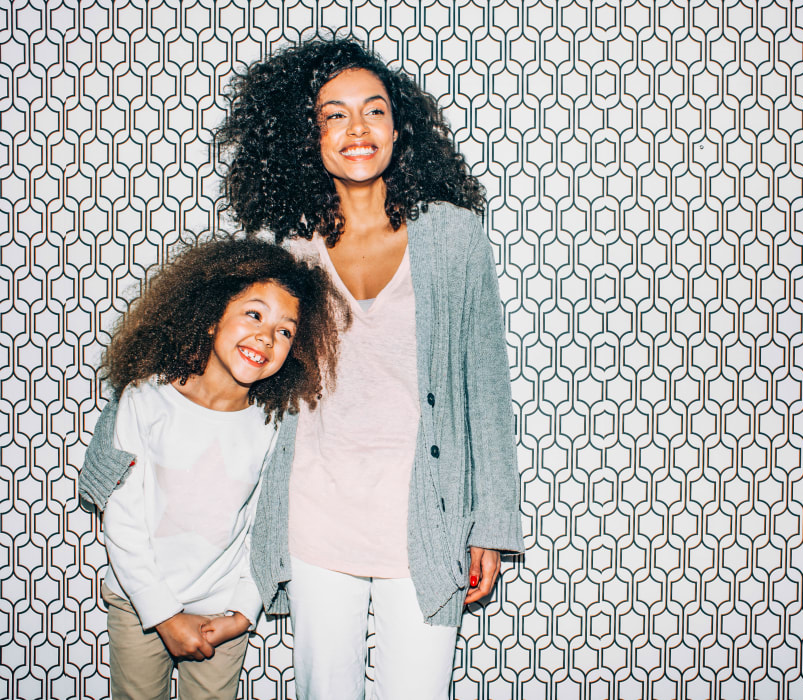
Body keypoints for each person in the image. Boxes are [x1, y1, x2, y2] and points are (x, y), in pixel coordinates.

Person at [214, 35, 524, 698]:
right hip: (316, 512)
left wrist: (489, 527)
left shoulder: (453, 233)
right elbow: (235, 362)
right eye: (335, 114)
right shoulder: (283, 242)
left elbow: (486, 390)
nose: (357, 129)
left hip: (427, 514)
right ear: (311, 136)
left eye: (373, 110)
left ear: (398, 126)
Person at [78, 238, 346, 700]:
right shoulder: (145, 400)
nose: (267, 336)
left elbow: (267, 526)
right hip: (138, 603)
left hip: (223, 615)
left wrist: (243, 611)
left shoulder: (275, 424)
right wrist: (161, 613)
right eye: (255, 315)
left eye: (286, 331)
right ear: (209, 317)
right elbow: (121, 518)